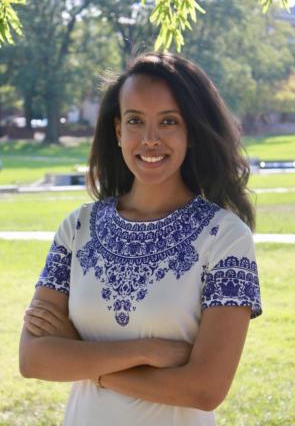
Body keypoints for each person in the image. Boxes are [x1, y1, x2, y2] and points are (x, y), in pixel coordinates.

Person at [19, 52, 262, 426]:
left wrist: (85, 360)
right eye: (135, 121)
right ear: (118, 131)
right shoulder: (78, 228)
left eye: (168, 121)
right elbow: (33, 359)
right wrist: (148, 350)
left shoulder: (225, 238)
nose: (150, 139)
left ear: (191, 132)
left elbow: (205, 389)